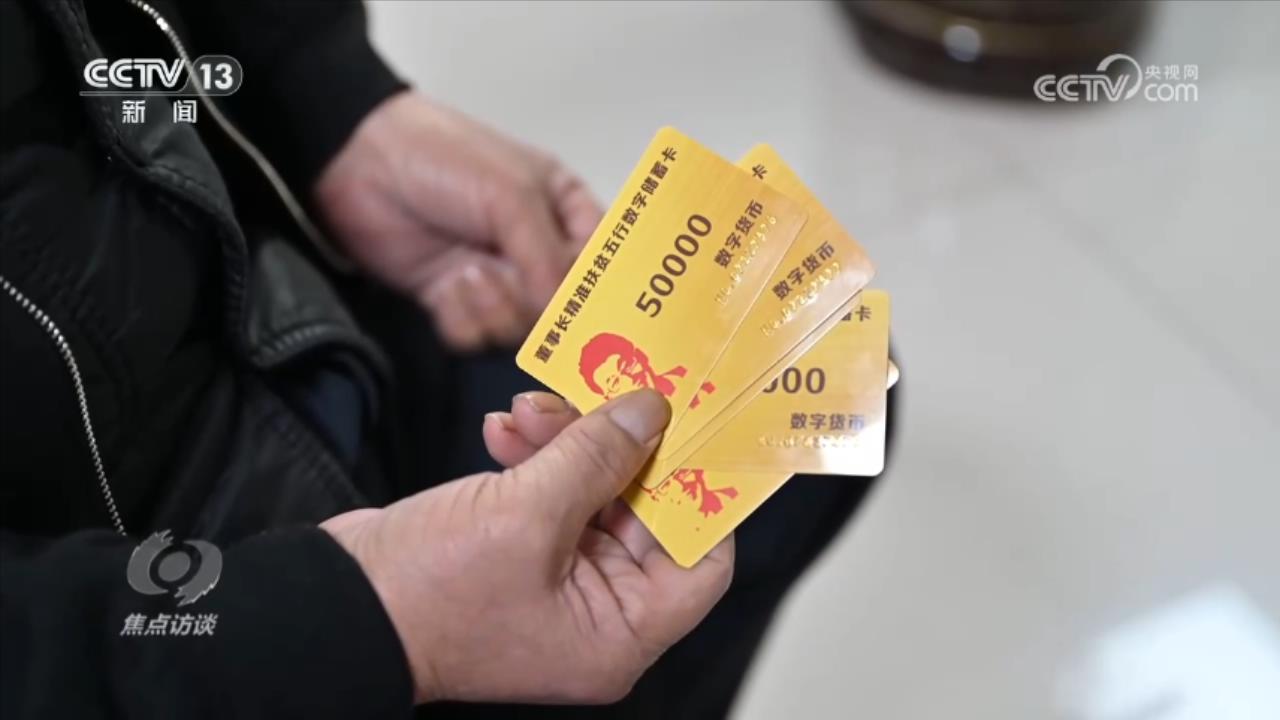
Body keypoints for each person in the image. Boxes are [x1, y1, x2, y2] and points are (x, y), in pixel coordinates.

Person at [0, 1, 885, 718]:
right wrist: (363, 618)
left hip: (303, 328)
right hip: (174, 622)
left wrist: (333, 102)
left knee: (830, 401)